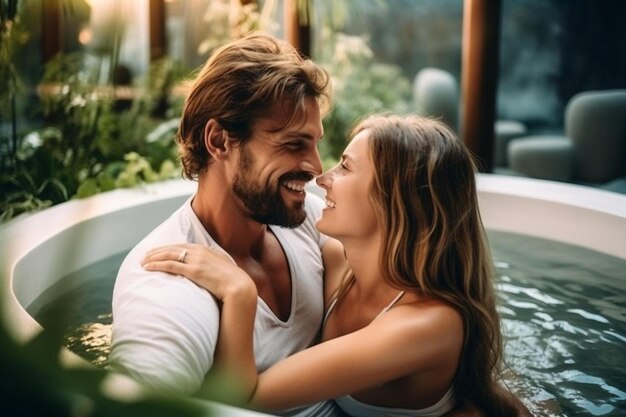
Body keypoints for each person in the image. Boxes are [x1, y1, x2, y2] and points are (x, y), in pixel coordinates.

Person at [142, 114, 530, 416]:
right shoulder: (342, 267)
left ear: (394, 200)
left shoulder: (427, 325)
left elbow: (246, 398)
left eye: (345, 167)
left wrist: (238, 291)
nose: (323, 178)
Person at [109, 32, 338, 416]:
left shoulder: (305, 218)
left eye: (315, 143)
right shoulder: (166, 283)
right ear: (218, 141)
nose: (316, 167)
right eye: (293, 144)